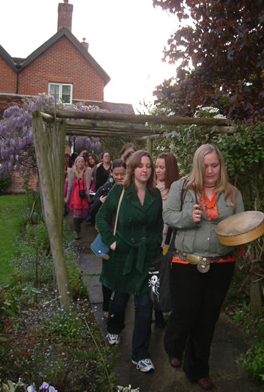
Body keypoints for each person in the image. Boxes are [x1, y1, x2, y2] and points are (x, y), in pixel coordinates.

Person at [163, 144, 244, 390]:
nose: (210, 171)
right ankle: (174, 345)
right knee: (185, 313)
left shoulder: (232, 193)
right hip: (187, 261)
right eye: (205, 166)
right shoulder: (182, 188)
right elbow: (168, 216)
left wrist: (244, 236)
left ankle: (198, 368)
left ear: (221, 166)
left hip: (221, 265)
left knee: (207, 318)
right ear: (198, 165)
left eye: (215, 165)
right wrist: (189, 218)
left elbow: (240, 225)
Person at [96, 150, 163, 373]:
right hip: (122, 255)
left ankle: (140, 354)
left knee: (145, 305)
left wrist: (153, 244)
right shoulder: (119, 191)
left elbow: (157, 224)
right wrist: (112, 242)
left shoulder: (155, 195)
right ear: (132, 169)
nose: (145, 169)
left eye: (148, 166)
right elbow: (102, 217)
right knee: (120, 299)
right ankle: (114, 328)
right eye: (140, 165)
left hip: (145, 258)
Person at [90, 159, 127, 317]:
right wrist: (100, 202)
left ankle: (119, 304)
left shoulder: (131, 189)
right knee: (107, 274)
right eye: (116, 174)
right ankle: (106, 306)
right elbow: (92, 213)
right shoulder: (105, 189)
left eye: (122, 174)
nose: (119, 177)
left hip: (124, 238)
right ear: (111, 173)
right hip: (109, 238)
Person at [154, 152, 180, 328]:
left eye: (161, 167)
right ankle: (157, 312)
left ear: (169, 168)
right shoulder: (152, 187)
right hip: (155, 241)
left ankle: (167, 309)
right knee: (156, 277)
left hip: (171, 242)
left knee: (169, 277)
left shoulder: (177, 190)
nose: (157, 170)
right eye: (156, 167)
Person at [64, 156, 94, 239]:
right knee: (77, 214)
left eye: (82, 162)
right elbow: (66, 185)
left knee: (85, 214)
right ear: (76, 163)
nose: (80, 163)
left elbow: (92, 183)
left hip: (84, 195)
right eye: (79, 162)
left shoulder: (87, 171)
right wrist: (65, 195)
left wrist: (91, 189)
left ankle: (77, 225)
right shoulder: (71, 172)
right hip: (75, 195)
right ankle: (77, 232)